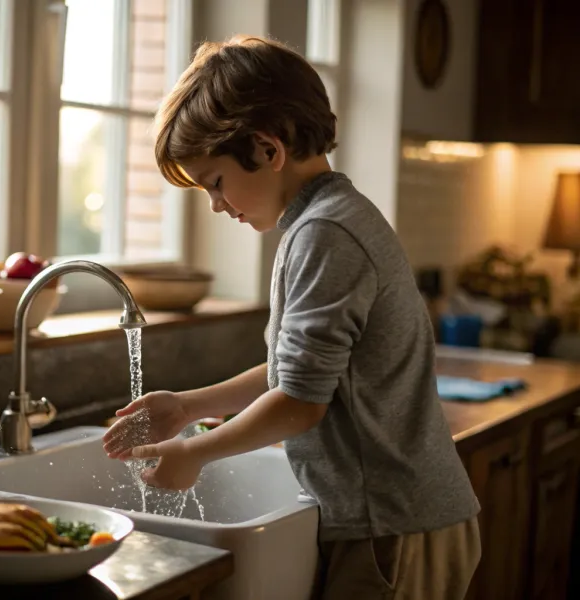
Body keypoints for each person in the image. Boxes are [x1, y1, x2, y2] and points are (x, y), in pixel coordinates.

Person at [103, 35, 481, 599]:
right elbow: (299, 373)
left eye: (216, 182)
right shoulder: (326, 220)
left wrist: (195, 453)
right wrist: (187, 407)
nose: (215, 203)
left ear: (266, 148)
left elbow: (302, 404)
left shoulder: (325, 233)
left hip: (393, 526)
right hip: (397, 519)